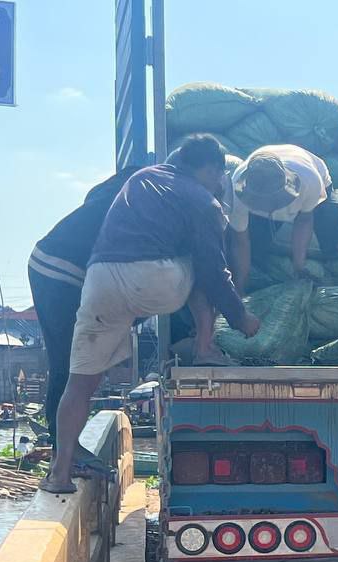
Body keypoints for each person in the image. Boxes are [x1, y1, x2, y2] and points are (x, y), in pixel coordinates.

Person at [41, 134, 259, 495]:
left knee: (79, 385)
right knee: (203, 265)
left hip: (100, 280)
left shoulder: (142, 177)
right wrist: (241, 318)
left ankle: (60, 474)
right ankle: (205, 347)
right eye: (218, 175)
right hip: (152, 281)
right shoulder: (204, 200)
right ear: (211, 169)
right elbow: (214, 272)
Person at [28, 166, 139, 453]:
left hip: (46, 262)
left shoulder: (116, 191)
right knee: (71, 363)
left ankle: (62, 444)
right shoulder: (145, 194)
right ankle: (64, 446)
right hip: (62, 270)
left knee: (67, 362)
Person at [227, 144, 338, 324]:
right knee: (245, 248)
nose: (272, 207)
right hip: (262, 189)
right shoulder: (236, 194)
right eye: (266, 202)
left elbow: (304, 220)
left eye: (276, 201)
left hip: (315, 179)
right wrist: (238, 296)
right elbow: (240, 243)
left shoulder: (309, 181)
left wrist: (299, 266)